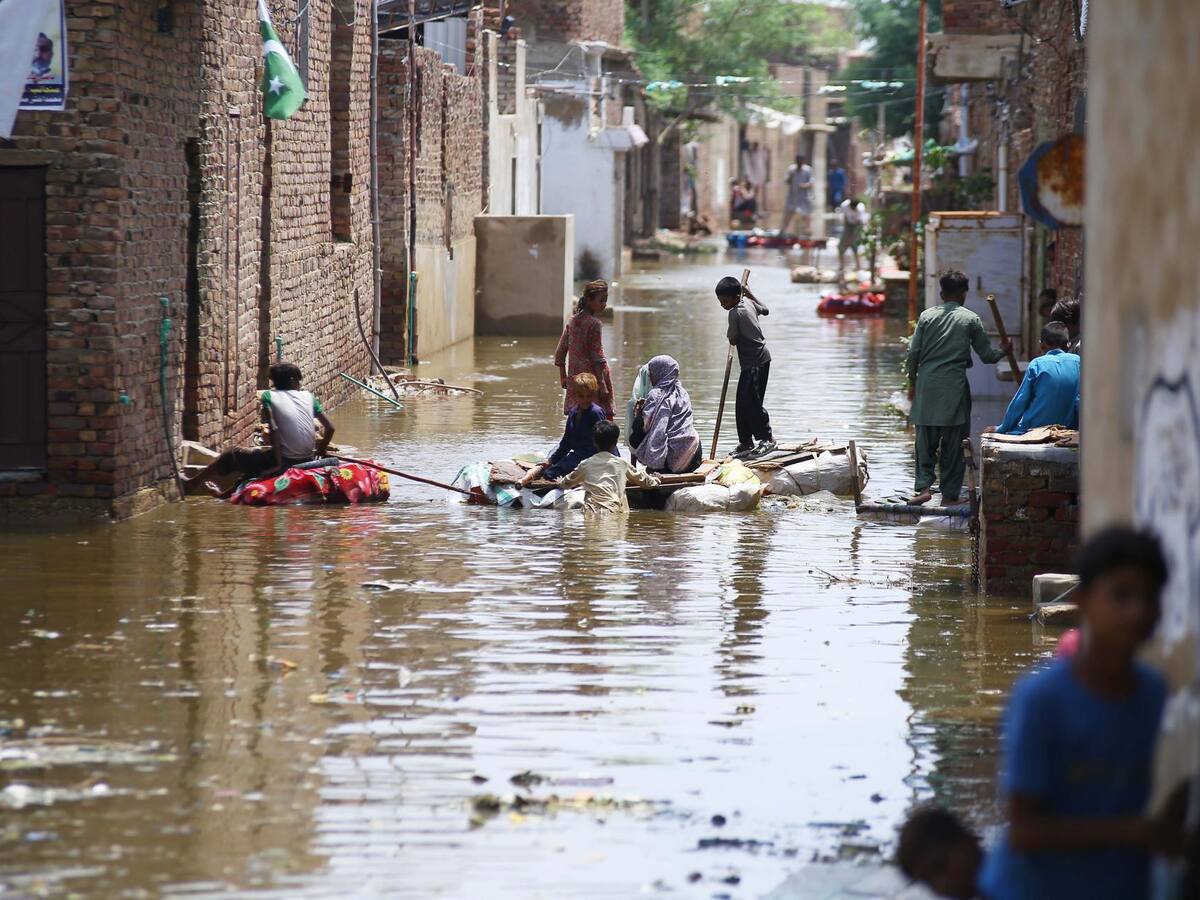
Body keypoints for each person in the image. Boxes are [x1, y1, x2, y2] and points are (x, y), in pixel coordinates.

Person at [979, 527, 1182, 900]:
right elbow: (1024, 831)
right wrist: (1133, 833)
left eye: (1150, 597)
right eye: (1121, 595)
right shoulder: (1041, 700)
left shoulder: (1151, 692)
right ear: (1084, 601)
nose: (1139, 611)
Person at [907, 269, 1010, 505]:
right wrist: (1005, 350)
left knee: (925, 442)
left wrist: (913, 382)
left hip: (927, 386)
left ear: (941, 293)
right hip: (954, 388)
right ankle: (950, 494)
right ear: (964, 294)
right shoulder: (970, 319)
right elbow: (988, 356)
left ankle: (923, 487)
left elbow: (913, 353)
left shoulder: (926, 317)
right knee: (954, 445)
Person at [182, 362, 334, 493]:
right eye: (299, 381)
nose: (300, 385)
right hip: (308, 459)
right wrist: (320, 451)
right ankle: (223, 492)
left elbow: (274, 429)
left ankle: (192, 484)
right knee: (257, 459)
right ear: (293, 381)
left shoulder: (268, 396)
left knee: (232, 455)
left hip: (285, 461)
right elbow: (330, 428)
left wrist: (279, 464)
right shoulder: (308, 396)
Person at [717, 275, 774, 459]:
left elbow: (732, 338)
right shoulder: (748, 303)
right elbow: (764, 309)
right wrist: (750, 294)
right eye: (720, 301)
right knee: (742, 403)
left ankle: (767, 438)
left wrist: (733, 330)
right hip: (755, 362)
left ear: (735, 297)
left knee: (752, 403)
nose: (722, 305)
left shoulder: (734, 313)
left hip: (756, 362)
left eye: (725, 301)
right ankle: (746, 442)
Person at [520, 373, 610, 485]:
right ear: (575, 395)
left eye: (589, 396)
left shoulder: (595, 413)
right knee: (550, 464)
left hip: (593, 456)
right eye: (581, 396)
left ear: (593, 395)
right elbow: (567, 442)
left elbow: (604, 442)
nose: (585, 400)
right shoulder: (573, 412)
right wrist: (550, 461)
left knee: (551, 473)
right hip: (579, 454)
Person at [556, 420, 660, 514]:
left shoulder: (586, 464)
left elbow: (567, 482)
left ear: (595, 443)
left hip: (591, 511)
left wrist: (560, 482)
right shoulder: (622, 464)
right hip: (614, 510)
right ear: (615, 444)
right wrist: (656, 480)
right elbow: (645, 481)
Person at [994, 322, 1080, 435]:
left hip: (1034, 429)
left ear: (1041, 345)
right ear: (1068, 345)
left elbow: (1020, 402)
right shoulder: (1078, 362)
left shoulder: (1037, 364)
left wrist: (1002, 428)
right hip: (1067, 429)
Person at [630, 355, 702, 474]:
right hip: (693, 450)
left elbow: (645, 425)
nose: (651, 378)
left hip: (673, 455)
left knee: (636, 435)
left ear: (659, 373)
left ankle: (658, 467)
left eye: (652, 374)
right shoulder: (683, 392)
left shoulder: (655, 394)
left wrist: (639, 413)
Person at [554, 279, 615, 419]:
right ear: (589, 300)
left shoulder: (572, 321)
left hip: (576, 381)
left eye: (605, 301)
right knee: (601, 420)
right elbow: (597, 356)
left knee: (577, 418)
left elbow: (560, 352)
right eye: (601, 301)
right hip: (594, 380)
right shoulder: (594, 324)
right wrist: (602, 384)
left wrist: (563, 377)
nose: (604, 305)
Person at [896, 806, 983, 900]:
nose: (942, 886)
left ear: (967, 841)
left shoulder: (997, 886)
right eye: (929, 882)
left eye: (940, 866)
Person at [778, 155, 814, 236]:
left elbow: (811, 183)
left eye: (800, 161)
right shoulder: (791, 169)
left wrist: (803, 185)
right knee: (788, 214)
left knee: (807, 214)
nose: (799, 163)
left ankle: (808, 232)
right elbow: (786, 181)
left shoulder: (807, 170)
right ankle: (783, 231)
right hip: (792, 196)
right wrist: (790, 176)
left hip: (803, 196)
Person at [837, 196, 868, 279]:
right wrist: (847, 236)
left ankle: (858, 267)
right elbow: (843, 219)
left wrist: (853, 237)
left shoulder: (860, 208)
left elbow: (861, 222)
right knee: (841, 247)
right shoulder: (844, 206)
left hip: (857, 227)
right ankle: (841, 267)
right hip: (847, 226)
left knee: (855, 247)